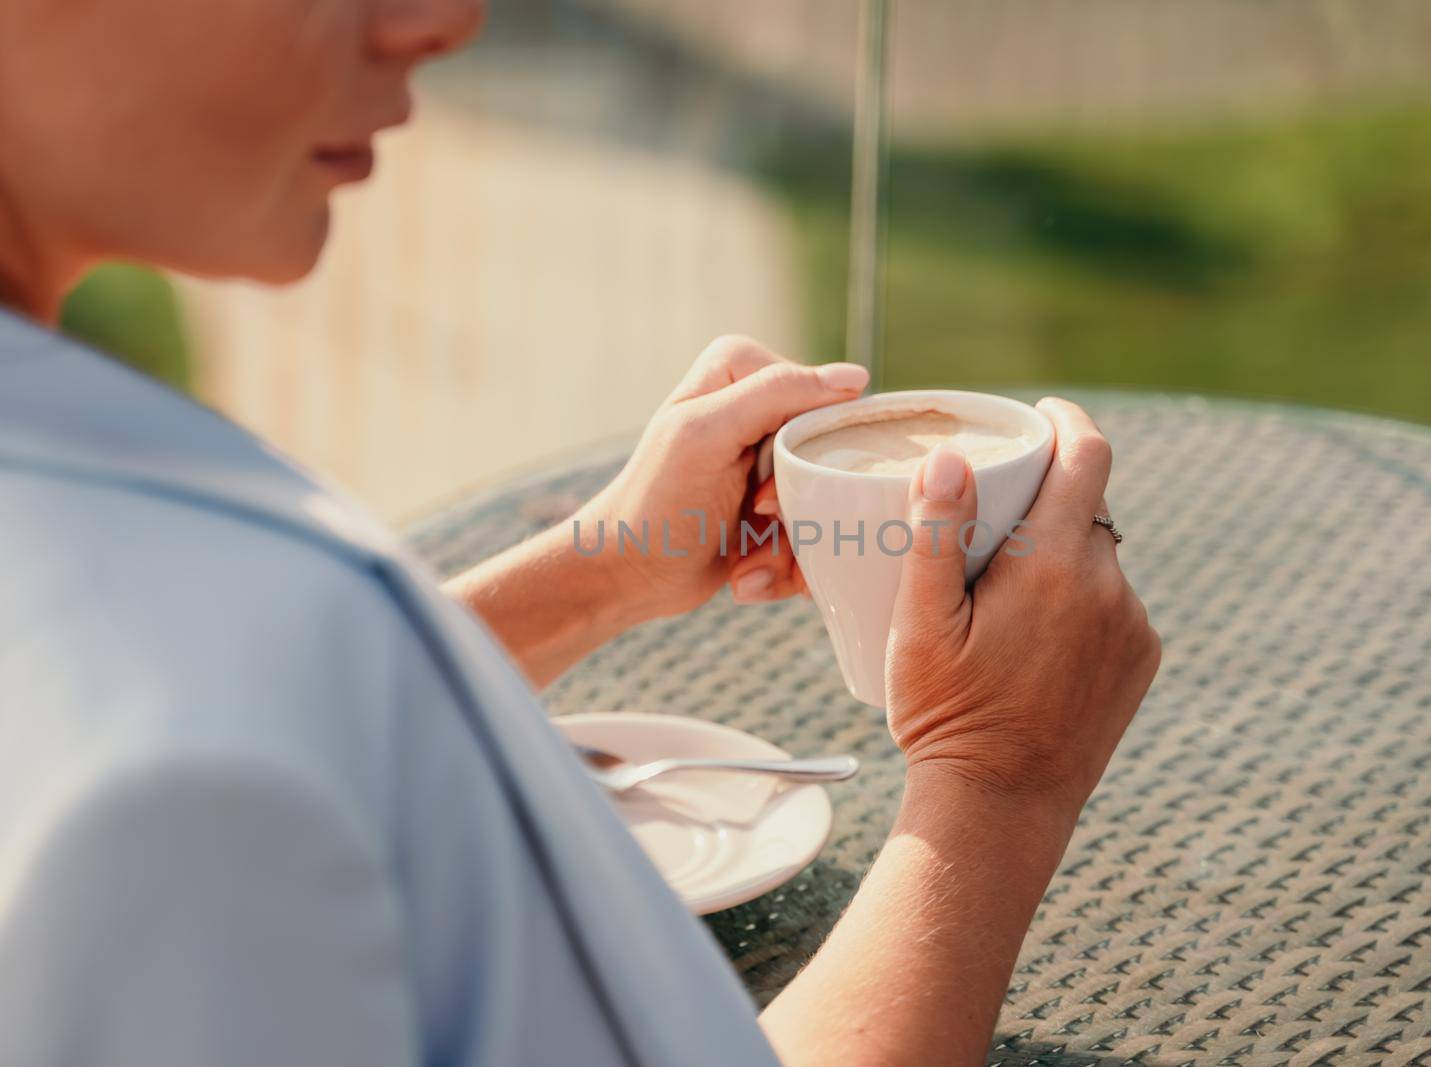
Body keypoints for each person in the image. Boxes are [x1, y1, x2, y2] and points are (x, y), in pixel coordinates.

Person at [0, 1, 1161, 1065]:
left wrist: (599, 571)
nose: (440, 21)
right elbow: (214, 766)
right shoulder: (152, 770)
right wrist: (998, 782)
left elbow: (277, 728)